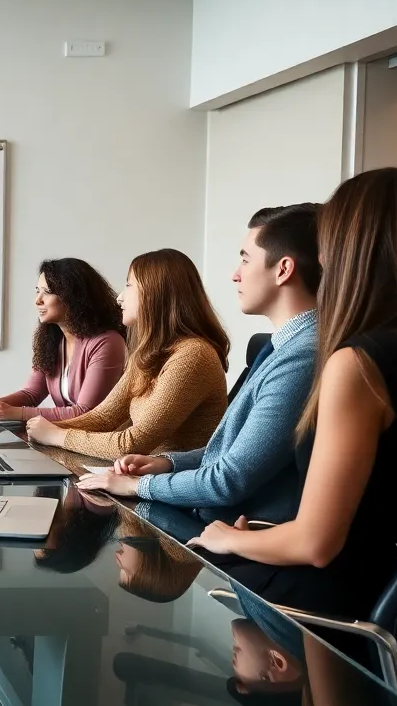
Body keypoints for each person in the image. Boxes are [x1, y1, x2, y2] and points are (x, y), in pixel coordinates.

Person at [188, 168, 397, 631]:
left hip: (324, 604)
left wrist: (231, 539)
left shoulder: (359, 364)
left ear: (360, 248)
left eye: (331, 236)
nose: (321, 254)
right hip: (373, 585)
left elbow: (315, 542)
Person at [78, 204, 321, 525]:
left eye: (245, 259)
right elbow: (231, 452)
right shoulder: (281, 345)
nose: (235, 273)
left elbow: (229, 479)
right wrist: (168, 464)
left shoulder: (302, 354)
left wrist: (139, 485)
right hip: (219, 518)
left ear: (283, 269)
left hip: (245, 531)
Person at [25, 249, 229, 459]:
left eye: (128, 285)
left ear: (155, 293)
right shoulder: (150, 353)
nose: (119, 298)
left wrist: (57, 436)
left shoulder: (192, 356)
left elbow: (131, 444)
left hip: (173, 486)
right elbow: (104, 417)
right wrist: (40, 430)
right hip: (143, 478)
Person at [0, 258, 127, 421]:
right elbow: (30, 394)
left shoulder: (107, 342)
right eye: (37, 291)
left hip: (94, 443)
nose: (37, 300)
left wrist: (17, 413)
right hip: (64, 438)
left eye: (47, 292)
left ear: (74, 297)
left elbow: (85, 413)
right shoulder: (53, 339)